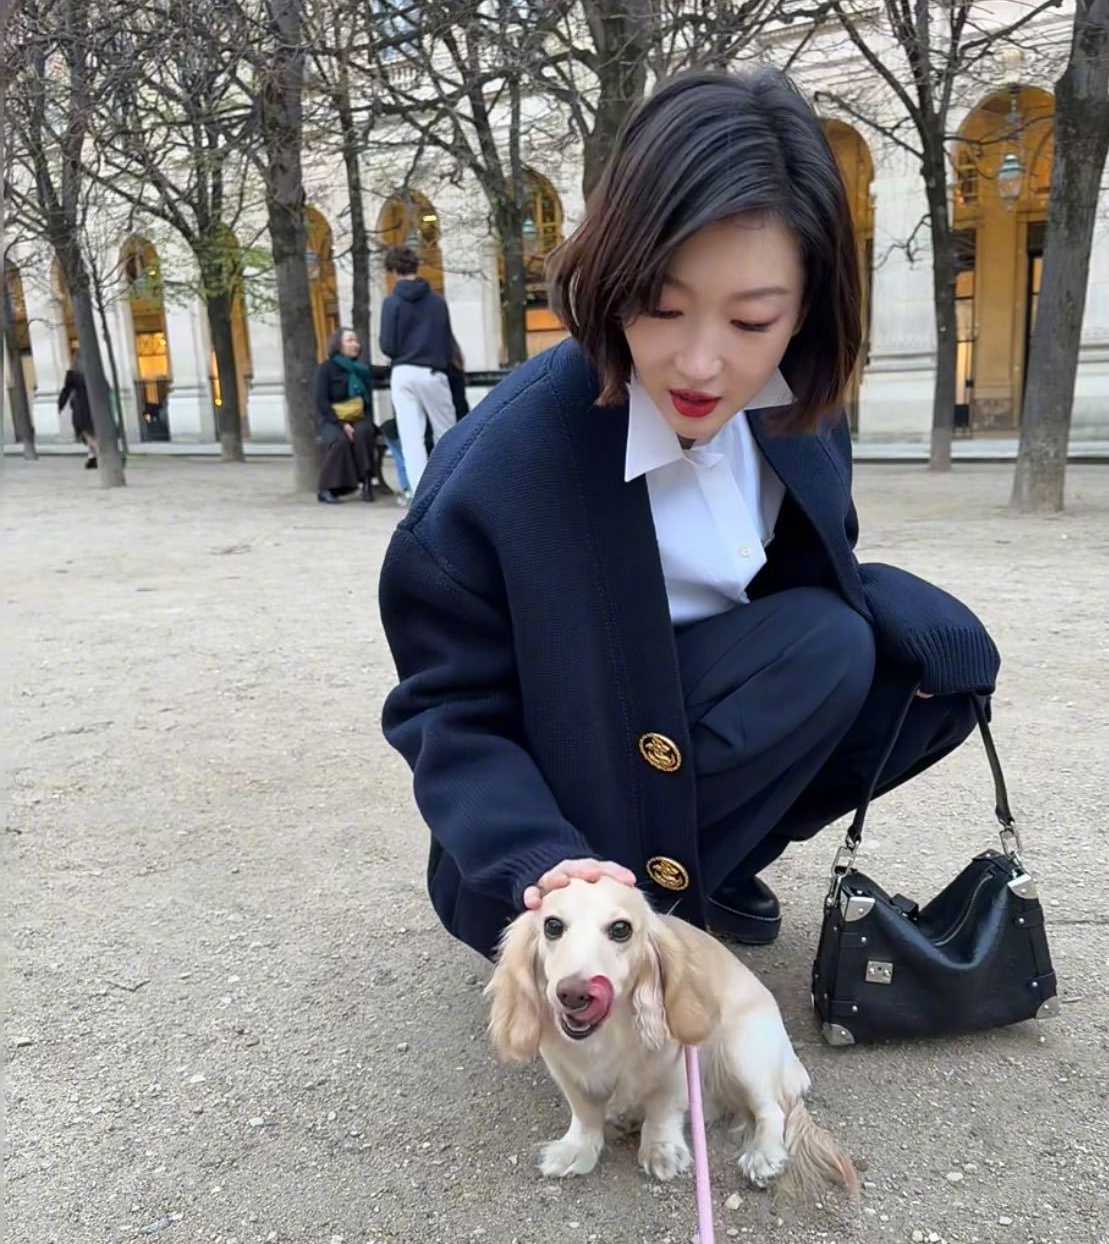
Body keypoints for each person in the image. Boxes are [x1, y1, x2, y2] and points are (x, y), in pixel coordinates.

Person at [379, 69, 1000, 966]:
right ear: (610, 275)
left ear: (804, 314)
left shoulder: (802, 416)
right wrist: (541, 863)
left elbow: (788, 612)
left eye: (752, 322)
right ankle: (631, 900)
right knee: (823, 643)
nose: (702, 363)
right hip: (544, 855)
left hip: (686, 751)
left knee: (898, 668)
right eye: (663, 307)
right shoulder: (499, 471)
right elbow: (447, 710)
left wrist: (893, 612)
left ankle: (702, 870)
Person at [380, 245, 456, 497]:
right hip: (433, 371)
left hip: (403, 372)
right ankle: (452, 487)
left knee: (411, 438)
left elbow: (388, 345)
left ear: (392, 270)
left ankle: (421, 494)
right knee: (446, 432)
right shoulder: (437, 302)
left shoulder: (392, 303)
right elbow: (447, 342)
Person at [313, 328, 377, 504]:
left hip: (359, 416)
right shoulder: (326, 368)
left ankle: (366, 482)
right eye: (350, 340)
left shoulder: (361, 369)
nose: (355, 344)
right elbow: (321, 400)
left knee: (364, 432)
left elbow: (367, 400)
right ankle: (327, 488)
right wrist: (342, 424)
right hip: (332, 418)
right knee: (340, 440)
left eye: (356, 341)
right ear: (338, 344)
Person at [58, 363, 97, 469]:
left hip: (81, 407)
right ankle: (93, 454)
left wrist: (60, 405)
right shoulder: (92, 370)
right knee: (90, 432)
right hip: (94, 405)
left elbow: (66, 390)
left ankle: (97, 453)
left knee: (86, 432)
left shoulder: (73, 374)